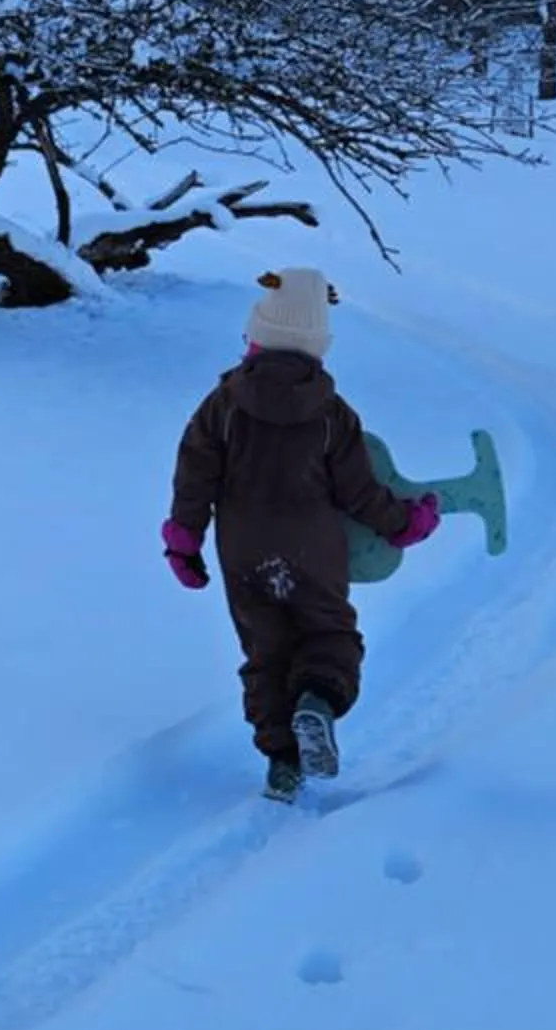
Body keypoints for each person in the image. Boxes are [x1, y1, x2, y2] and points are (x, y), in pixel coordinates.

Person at [162, 268, 440, 802]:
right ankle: (317, 698)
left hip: (243, 551)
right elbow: (359, 491)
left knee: (266, 650)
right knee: (328, 634)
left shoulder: (220, 408)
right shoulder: (333, 416)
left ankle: (282, 760)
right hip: (315, 549)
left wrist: (183, 541)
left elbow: (193, 477)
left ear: (255, 337)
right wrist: (405, 523)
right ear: (318, 347)